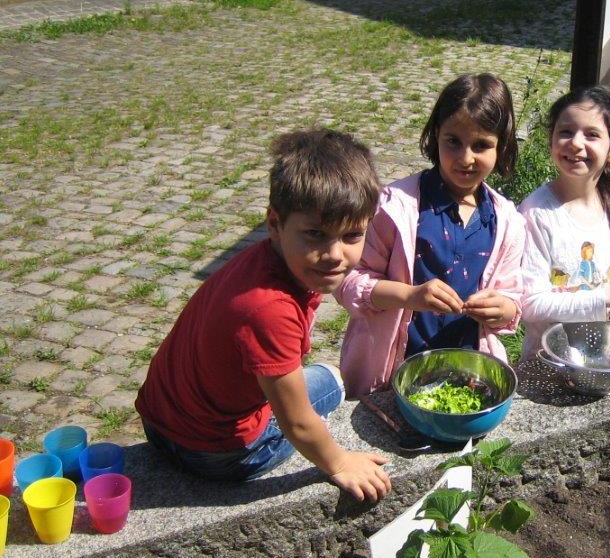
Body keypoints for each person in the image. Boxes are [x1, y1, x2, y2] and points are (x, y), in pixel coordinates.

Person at [136, 128, 392, 502]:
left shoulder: (267, 259)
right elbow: (298, 424)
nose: (335, 254)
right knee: (334, 383)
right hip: (218, 454)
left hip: (159, 422)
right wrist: (339, 463)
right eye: (316, 234)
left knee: (321, 378)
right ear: (274, 223)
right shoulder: (270, 310)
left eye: (352, 235)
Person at [337, 73, 526, 396]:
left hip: (468, 377)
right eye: (453, 141)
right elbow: (348, 282)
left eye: (481, 145)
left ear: (502, 146)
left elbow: (512, 299)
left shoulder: (507, 222)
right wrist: (410, 296)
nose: (466, 158)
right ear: (436, 134)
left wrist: (503, 309)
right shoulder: (394, 208)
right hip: (391, 374)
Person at [518, 85, 610, 359]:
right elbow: (530, 303)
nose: (576, 143)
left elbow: (600, 276)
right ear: (551, 141)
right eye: (566, 132)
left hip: (601, 355)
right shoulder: (536, 213)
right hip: (548, 361)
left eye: (592, 134)